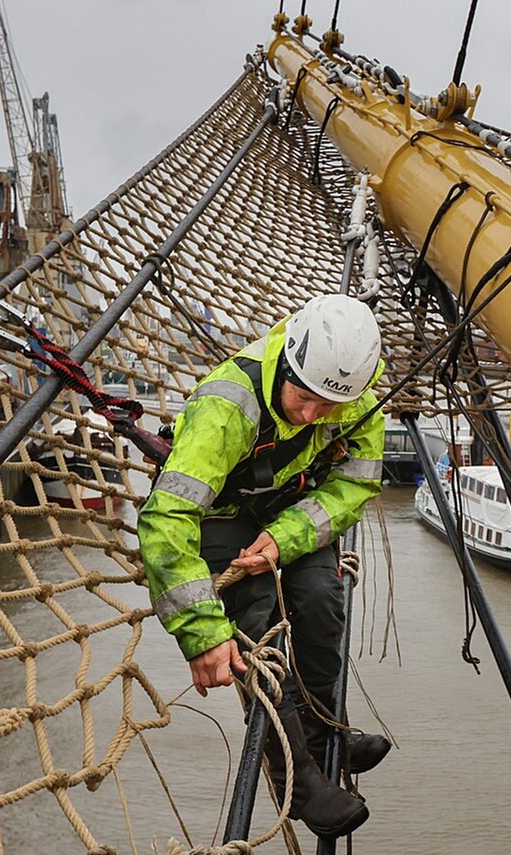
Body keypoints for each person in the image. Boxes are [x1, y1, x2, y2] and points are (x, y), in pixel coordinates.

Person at [139, 294, 390, 839]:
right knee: (257, 628)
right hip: (221, 512)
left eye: (327, 408)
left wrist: (282, 539)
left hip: (287, 509)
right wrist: (203, 634)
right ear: (288, 367)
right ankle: (297, 779)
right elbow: (166, 517)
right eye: (302, 399)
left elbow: (356, 482)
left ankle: (326, 739)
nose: (310, 416)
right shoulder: (227, 405)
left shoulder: (361, 400)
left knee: (323, 600)